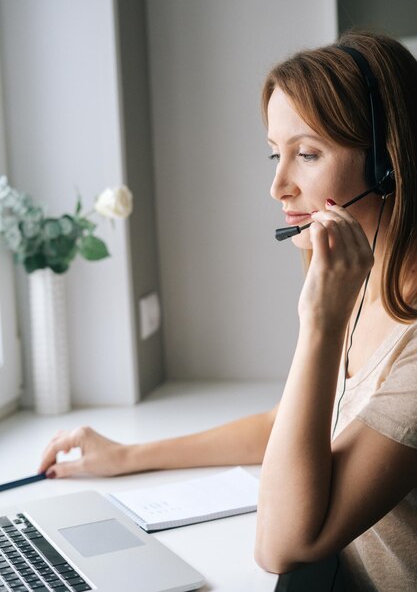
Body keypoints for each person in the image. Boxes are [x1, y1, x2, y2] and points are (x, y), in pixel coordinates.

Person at [39, 31, 417, 591]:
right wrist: (128, 455)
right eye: (276, 152)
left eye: (307, 154)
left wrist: (318, 323)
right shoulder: (360, 280)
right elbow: (287, 427)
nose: (277, 186)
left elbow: (284, 545)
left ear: (387, 164)